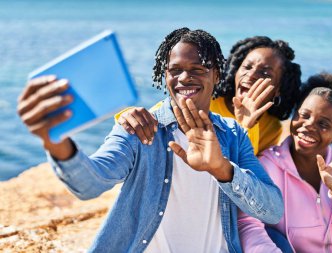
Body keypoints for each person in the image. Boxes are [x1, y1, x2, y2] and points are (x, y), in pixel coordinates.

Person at [17, 28, 284, 252]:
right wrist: (56, 142)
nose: (184, 78)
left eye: (198, 69)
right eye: (174, 70)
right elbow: (90, 184)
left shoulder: (233, 134)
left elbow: (272, 210)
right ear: (164, 75)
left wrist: (221, 168)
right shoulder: (140, 127)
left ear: (216, 75)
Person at [238, 73, 332, 252]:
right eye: (303, 115)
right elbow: (247, 224)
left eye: (323, 124)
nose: (309, 125)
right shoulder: (268, 165)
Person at [116, 36, 302, 155]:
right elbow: (153, 119)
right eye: (246, 67)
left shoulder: (272, 127)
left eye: (265, 73)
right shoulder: (206, 99)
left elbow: (246, 171)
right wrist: (128, 115)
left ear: (278, 88)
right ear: (235, 71)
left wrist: (247, 126)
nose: (251, 75)